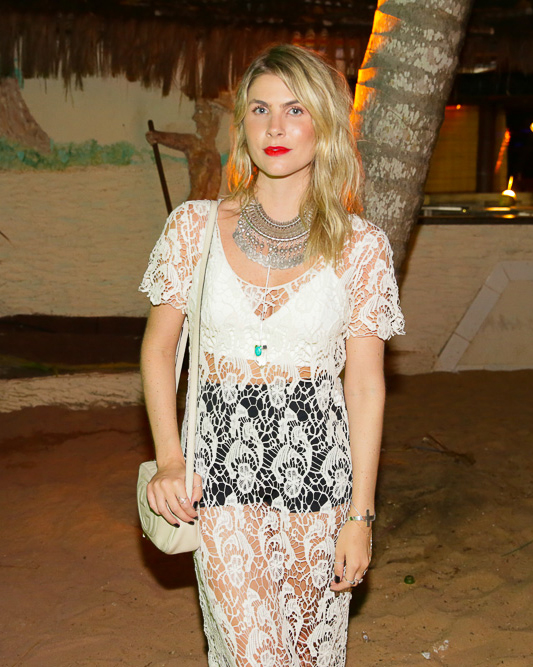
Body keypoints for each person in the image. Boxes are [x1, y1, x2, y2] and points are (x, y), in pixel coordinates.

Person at [139, 44, 405, 667]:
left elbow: (365, 387)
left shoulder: (362, 248)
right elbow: (159, 349)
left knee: (309, 656)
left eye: (295, 110)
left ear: (325, 125)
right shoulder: (194, 228)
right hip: (219, 479)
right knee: (251, 653)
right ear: (243, 125)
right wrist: (170, 460)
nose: (276, 127)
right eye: (260, 110)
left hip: (320, 481)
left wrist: (360, 516)